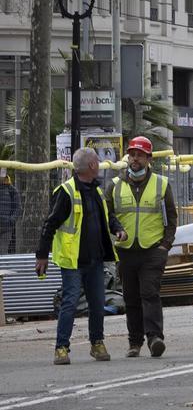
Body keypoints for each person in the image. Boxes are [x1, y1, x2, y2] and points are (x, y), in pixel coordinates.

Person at [36, 148, 127, 365]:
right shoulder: (66, 193)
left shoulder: (96, 191)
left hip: (95, 259)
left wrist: (118, 229)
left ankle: (97, 343)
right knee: (70, 303)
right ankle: (61, 348)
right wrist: (42, 256)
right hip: (73, 260)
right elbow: (50, 225)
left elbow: (107, 216)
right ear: (92, 166)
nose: (100, 163)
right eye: (97, 160)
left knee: (97, 304)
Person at [105, 136, 178, 358]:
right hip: (125, 250)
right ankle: (134, 342)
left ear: (149, 159)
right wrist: (116, 230)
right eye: (132, 154)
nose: (135, 158)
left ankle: (155, 337)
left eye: (139, 155)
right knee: (131, 297)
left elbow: (171, 218)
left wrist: (165, 245)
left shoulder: (161, 185)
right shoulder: (115, 186)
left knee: (150, 293)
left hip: (152, 250)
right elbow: (107, 215)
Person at [0, 169, 20, 253]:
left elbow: (17, 207)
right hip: (7, 225)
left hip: (6, 228)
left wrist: (11, 220)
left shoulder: (12, 190)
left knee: (3, 252)